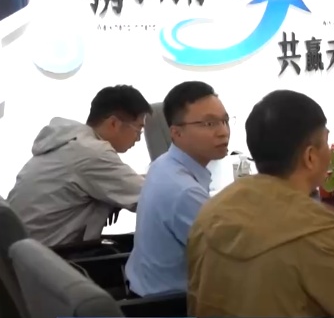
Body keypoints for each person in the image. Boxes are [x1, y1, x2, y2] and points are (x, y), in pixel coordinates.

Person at [186, 90, 334, 316]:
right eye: (326, 143)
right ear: (310, 157)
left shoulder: (211, 211)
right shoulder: (317, 235)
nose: (331, 154)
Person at [7, 85, 150, 247]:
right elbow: (151, 197)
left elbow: (126, 182)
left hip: (20, 251)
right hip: (47, 255)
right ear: (114, 123)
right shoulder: (93, 153)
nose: (138, 139)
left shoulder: (71, 142)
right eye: (139, 129)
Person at [126, 81, 230, 296]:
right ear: (176, 132)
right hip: (170, 305)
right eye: (209, 124)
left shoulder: (163, 164)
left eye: (225, 121)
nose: (223, 132)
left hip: (142, 287)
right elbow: (232, 257)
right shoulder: (184, 191)